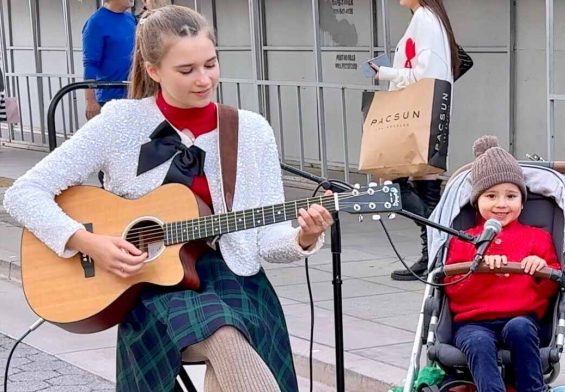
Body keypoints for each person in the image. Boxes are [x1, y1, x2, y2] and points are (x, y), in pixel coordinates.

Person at [4, 6, 333, 391]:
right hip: (151, 286)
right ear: (153, 70)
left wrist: (304, 237)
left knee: (232, 333)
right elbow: (24, 193)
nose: (204, 79)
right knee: (224, 333)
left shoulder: (251, 131)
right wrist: (88, 241)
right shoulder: (119, 122)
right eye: (187, 70)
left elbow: (268, 240)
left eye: (210, 64)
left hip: (236, 281)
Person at [443, 135, 561, 392]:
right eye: (491, 196)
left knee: (520, 328)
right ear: (477, 200)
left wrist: (539, 269)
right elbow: (451, 286)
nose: (501, 204)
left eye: (511, 196)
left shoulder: (537, 237)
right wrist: (478, 267)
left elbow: (554, 288)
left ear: (522, 201)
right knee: (477, 342)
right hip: (472, 322)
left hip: (522, 317)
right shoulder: (465, 240)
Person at [369, 0, 459, 281]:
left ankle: (436, 250)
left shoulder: (425, 18)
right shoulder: (431, 18)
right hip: (427, 115)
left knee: (396, 184)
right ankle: (435, 254)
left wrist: (383, 72)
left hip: (417, 114)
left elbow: (423, 73)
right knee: (425, 186)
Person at [82, 0, 136, 120]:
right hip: (109, 98)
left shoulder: (131, 19)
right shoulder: (95, 23)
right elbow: (90, 64)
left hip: (134, 95)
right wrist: (90, 101)